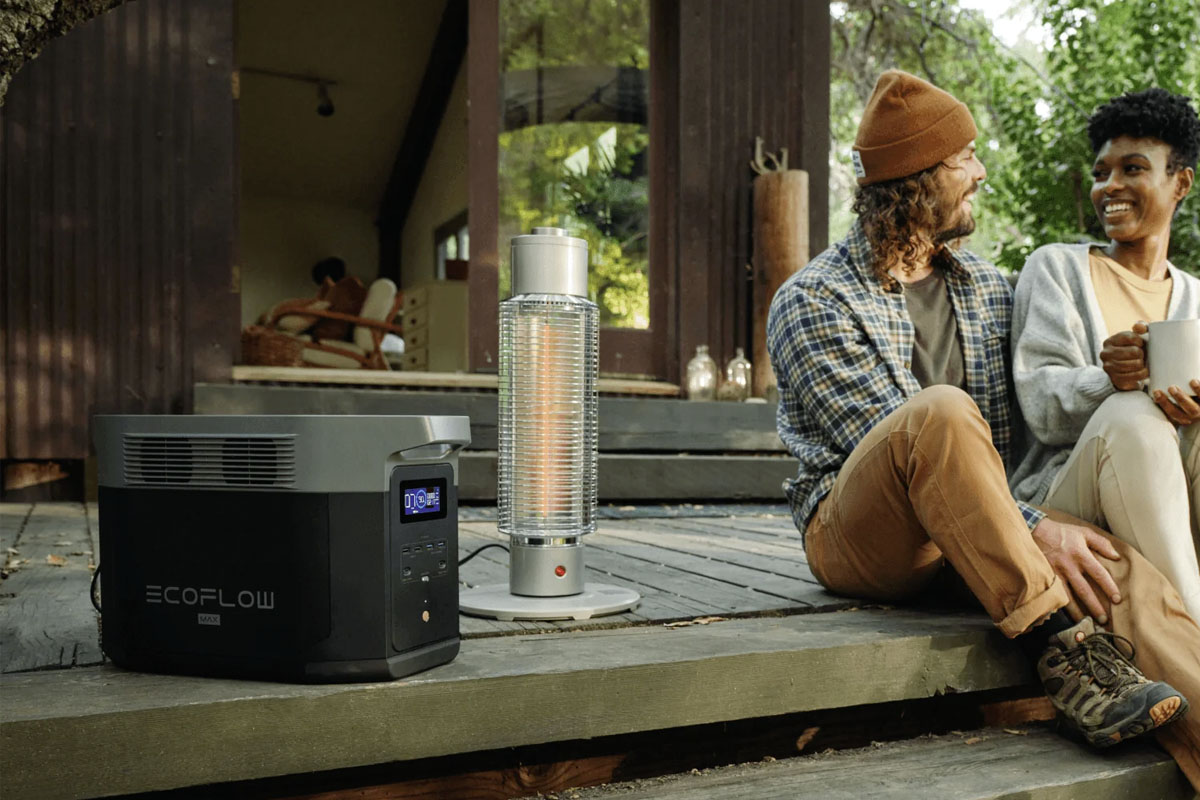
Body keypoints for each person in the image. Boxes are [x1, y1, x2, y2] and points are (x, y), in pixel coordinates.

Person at [767, 70, 1200, 789]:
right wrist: (1038, 525)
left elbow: (1035, 423)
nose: (980, 171)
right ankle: (1060, 647)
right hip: (870, 538)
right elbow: (896, 442)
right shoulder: (813, 299)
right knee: (937, 412)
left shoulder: (986, 288)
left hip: (993, 533)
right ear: (915, 177)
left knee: (1115, 575)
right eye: (964, 157)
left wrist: (1114, 385)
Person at [1011, 88, 1200, 622]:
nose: (1110, 186)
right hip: (1067, 495)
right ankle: (1192, 628)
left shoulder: (1196, 298)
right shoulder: (1056, 270)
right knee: (1134, 413)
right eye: (1101, 173)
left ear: (1179, 182)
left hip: (1173, 497)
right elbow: (1042, 409)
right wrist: (1108, 381)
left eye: (1133, 169)